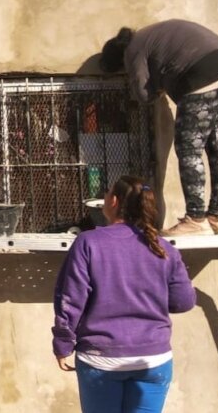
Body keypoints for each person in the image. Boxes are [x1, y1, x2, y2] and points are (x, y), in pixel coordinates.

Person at [52, 175, 196, 413]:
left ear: (114, 201)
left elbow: (70, 300)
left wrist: (63, 344)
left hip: (101, 357)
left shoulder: (88, 243)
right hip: (154, 357)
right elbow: (184, 302)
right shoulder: (163, 247)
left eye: (106, 194)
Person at [100, 20, 218, 236]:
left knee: (189, 148)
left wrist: (153, 87)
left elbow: (143, 95)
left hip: (203, 77)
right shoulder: (153, 35)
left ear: (119, 59)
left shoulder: (133, 50)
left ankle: (196, 218)